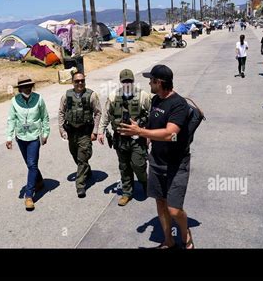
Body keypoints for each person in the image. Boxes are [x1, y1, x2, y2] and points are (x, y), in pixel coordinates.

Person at [118, 64, 194, 249]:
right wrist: (140, 130)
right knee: (160, 202)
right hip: (157, 162)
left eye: (151, 80)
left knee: (174, 210)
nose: (149, 83)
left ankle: (186, 237)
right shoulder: (156, 100)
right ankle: (168, 241)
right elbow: (153, 126)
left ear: (159, 82)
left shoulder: (178, 104)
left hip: (176, 165)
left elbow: (170, 134)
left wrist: (140, 131)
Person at [98, 69, 151, 206]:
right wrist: (100, 131)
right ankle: (127, 192)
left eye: (130, 81)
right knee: (124, 166)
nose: (127, 83)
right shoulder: (113, 96)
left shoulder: (142, 96)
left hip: (137, 138)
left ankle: (145, 183)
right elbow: (106, 115)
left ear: (133, 81)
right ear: (121, 82)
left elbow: (152, 115)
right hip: (120, 138)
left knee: (138, 165)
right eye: (124, 81)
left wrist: (148, 133)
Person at [6, 75, 50, 211]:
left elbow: (45, 117)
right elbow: (11, 119)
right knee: (30, 164)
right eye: (24, 87)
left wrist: (45, 133)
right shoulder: (14, 101)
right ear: (20, 89)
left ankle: (29, 195)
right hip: (20, 137)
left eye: (29, 86)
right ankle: (39, 181)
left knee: (31, 164)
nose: (27, 88)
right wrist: (9, 137)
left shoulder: (39, 99)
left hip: (34, 136)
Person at [58, 71, 102, 198]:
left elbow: (98, 113)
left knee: (82, 158)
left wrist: (95, 131)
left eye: (82, 80)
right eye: (77, 81)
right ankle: (87, 172)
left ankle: (80, 185)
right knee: (75, 155)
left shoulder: (92, 95)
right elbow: (61, 112)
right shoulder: (67, 96)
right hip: (72, 132)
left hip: (85, 132)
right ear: (73, 82)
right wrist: (61, 129)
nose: (80, 83)